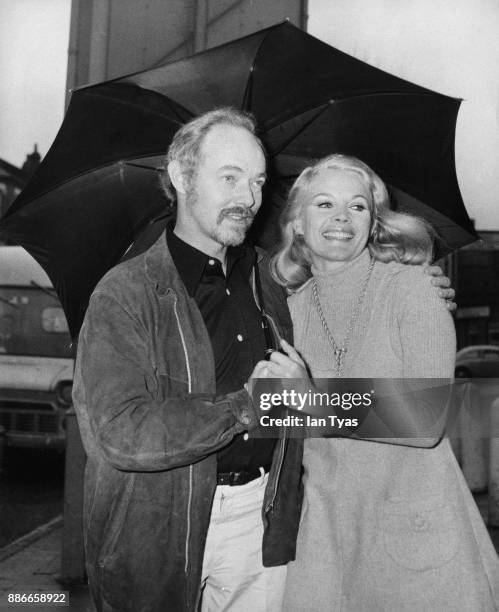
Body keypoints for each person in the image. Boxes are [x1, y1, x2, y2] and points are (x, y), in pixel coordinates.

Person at [72, 109, 455, 612]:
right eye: (229, 177)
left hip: (265, 525)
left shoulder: (274, 288)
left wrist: (417, 285)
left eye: (256, 181)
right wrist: (248, 407)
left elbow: (418, 411)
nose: (248, 198)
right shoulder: (126, 293)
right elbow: (119, 432)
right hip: (157, 532)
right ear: (181, 177)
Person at [268, 154, 499, 611]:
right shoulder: (287, 311)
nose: (341, 218)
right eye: (324, 204)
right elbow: (270, 410)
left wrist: (312, 402)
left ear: (374, 223)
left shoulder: (413, 288)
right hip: (325, 540)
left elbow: (425, 418)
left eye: (357, 207)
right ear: (296, 224)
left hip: (413, 535)